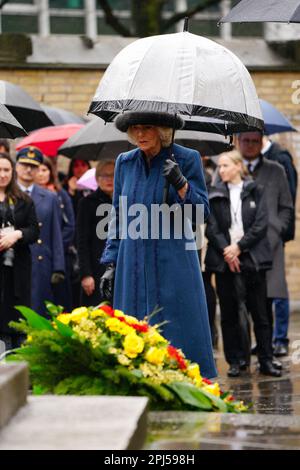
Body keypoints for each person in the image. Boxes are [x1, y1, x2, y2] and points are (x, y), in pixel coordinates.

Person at [99, 111, 217, 378]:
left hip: (173, 258)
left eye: (147, 128)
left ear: (163, 130)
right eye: (135, 128)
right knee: (132, 332)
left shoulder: (187, 158)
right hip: (132, 259)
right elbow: (118, 214)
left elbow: (201, 213)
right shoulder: (124, 163)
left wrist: (181, 183)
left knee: (177, 329)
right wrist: (110, 262)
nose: (140, 134)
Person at [205, 150, 280, 377]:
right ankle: (236, 360)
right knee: (228, 312)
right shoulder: (215, 193)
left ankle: (266, 359)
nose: (221, 169)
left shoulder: (255, 189)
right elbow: (211, 226)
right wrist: (228, 251)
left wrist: (239, 247)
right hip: (224, 259)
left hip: (252, 258)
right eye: (220, 166)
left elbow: (261, 224)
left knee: (260, 312)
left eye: (226, 165)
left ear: (239, 166)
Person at [238, 132, 293, 357]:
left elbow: (287, 205)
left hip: (270, 243)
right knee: (245, 300)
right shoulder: (232, 168)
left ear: (261, 142)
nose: (250, 145)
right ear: (237, 141)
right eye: (245, 140)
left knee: (270, 296)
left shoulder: (275, 169)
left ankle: (271, 345)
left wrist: (278, 228)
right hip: (241, 245)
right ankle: (256, 344)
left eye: (255, 141)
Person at [15, 147, 65, 316]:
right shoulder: (7, 193)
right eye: (24, 165)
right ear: (16, 166)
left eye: (34, 166)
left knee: (37, 311)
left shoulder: (49, 197)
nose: (29, 170)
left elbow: (55, 233)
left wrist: (59, 267)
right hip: (13, 258)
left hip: (41, 261)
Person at [262, 136, 298, 357]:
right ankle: (266, 339)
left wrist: (279, 228)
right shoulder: (251, 161)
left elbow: (289, 197)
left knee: (278, 287)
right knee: (260, 290)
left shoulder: (280, 158)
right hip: (256, 234)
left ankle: (281, 337)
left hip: (274, 234)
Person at [0, 152, 39, 350]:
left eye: (6, 170)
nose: (2, 174)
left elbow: (34, 230)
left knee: (18, 323)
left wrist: (16, 235)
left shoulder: (23, 200)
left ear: (12, 172)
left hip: (18, 270)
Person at [34, 157, 75, 311]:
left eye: (45, 170)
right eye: (38, 170)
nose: (41, 174)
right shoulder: (25, 195)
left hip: (56, 253)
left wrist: (56, 245)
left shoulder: (59, 194)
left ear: (51, 172)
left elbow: (69, 225)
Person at [77, 160, 115, 306]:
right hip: (96, 270)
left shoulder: (125, 202)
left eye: (113, 175)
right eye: (104, 175)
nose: (109, 179)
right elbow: (82, 242)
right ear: (97, 178)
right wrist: (86, 274)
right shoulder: (87, 203)